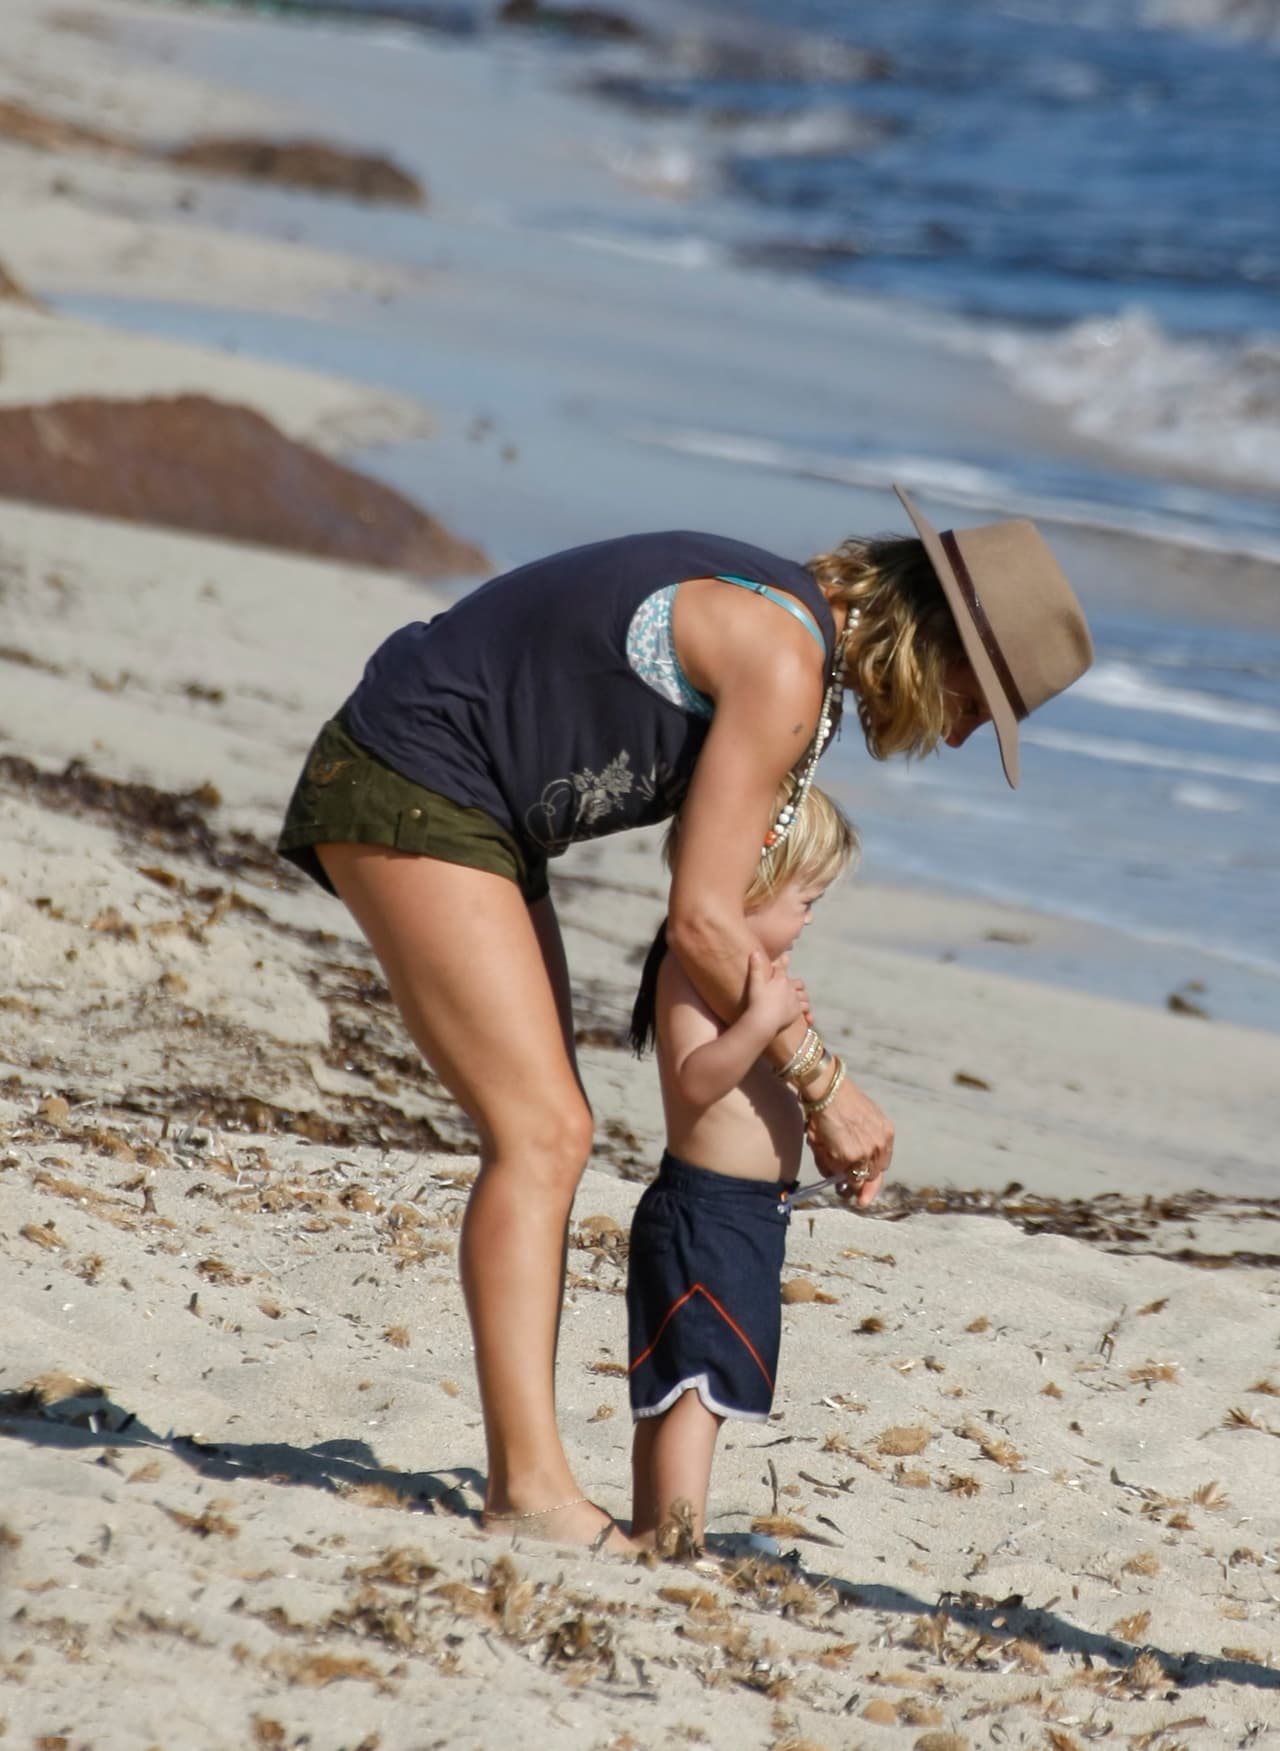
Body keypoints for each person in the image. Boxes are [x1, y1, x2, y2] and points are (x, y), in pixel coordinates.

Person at [277, 483, 1093, 1551]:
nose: (961, 728)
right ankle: (527, 1490)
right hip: (419, 773)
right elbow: (703, 922)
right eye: (978, 697)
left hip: (470, 795)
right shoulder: (782, 660)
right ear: (931, 639)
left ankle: (530, 1479)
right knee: (542, 1134)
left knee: (545, 1129)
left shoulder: (787, 619)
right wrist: (824, 1084)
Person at [626, 783, 858, 1551]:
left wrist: (782, 1028)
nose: (811, 917)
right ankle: (677, 1537)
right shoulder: (689, 969)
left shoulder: (739, 977)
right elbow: (695, 1077)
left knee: (683, 1381)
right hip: (708, 1209)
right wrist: (762, 1019)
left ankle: (655, 1525)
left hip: (747, 1212)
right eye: (806, 897)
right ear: (748, 885)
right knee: (698, 1385)